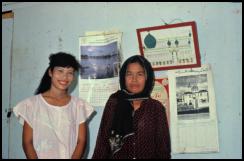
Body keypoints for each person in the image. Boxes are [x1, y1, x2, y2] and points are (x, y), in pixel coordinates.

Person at [13, 52, 94, 159]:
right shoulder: (31, 105)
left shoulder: (79, 106)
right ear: (50, 72)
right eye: (60, 71)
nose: (65, 77)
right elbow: (27, 142)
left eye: (70, 73)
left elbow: (81, 141)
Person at [92, 55, 171, 159]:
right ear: (123, 77)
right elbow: (102, 144)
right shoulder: (114, 103)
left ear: (147, 77)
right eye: (129, 74)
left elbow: (163, 151)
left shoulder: (156, 108)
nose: (134, 79)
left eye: (140, 74)